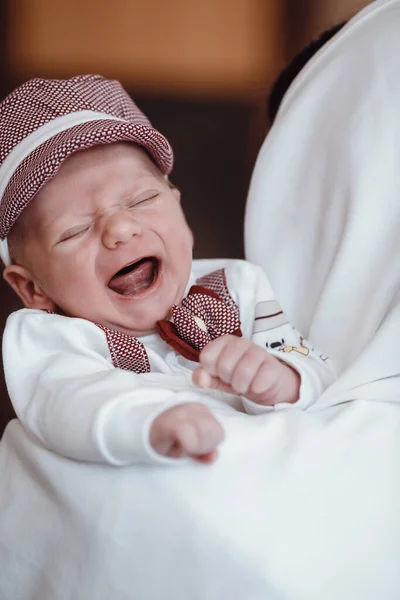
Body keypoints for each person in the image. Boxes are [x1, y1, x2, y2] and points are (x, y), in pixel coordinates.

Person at [0, 75, 334, 467]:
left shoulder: (237, 288)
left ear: (181, 211)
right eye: (75, 230)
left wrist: (283, 380)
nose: (121, 230)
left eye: (142, 199)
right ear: (31, 287)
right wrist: (149, 423)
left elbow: (322, 376)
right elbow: (68, 404)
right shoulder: (51, 339)